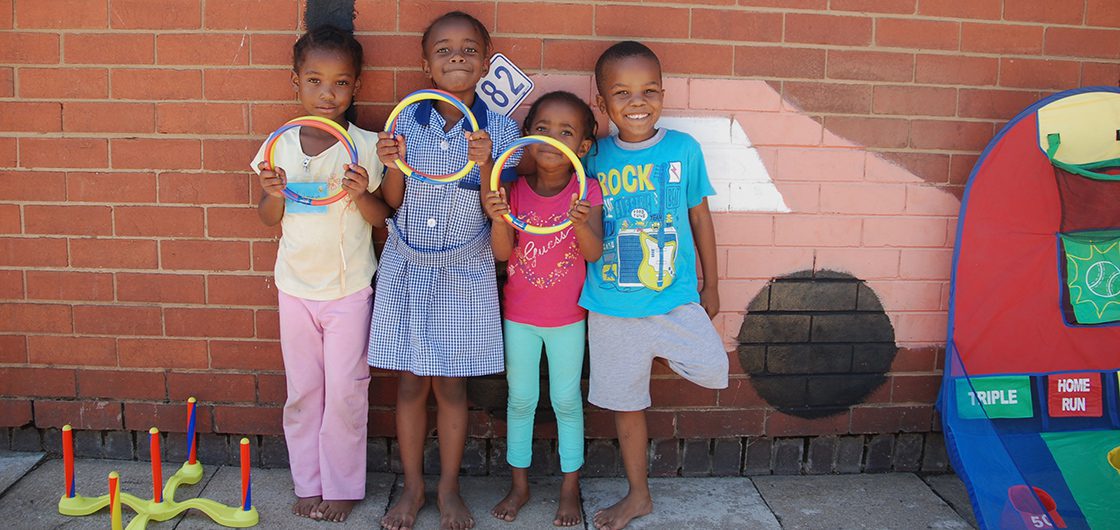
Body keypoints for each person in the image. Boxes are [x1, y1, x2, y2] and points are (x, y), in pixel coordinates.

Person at [368, 11, 522, 530]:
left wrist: (484, 163)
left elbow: (493, 208)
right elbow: (393, 200)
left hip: (464, 267)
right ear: (425, 62)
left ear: (485, 59)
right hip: (408, 264)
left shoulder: (500, 130)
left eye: (468, 48)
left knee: (451, 387)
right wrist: (391, 162)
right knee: (411, 382)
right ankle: (412, 489)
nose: (456, 56)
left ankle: (449, 488)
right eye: (443, 49)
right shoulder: (405, 119)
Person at [582, 41, 729, 530]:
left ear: (663, 93)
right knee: (627, 406)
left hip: (672, 297)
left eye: (648, 90)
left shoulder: (683, 149)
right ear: (601, 104)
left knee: (713, 369)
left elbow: (700, 217)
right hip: (610, 303)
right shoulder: (594, 155)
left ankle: (657, 351)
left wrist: (711, 284)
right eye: (621, 93)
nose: (636, 101)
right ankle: (638, 495)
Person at [251, 24, 389, 524]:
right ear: (295, 82)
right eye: (314, 81)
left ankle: (344, 485)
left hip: (349, 289)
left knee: (347, 389)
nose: (327, 94)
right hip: (295, 289)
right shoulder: (279, 144)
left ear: (357, 85)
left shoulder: (367, 146)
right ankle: (307, 481)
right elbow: (269, 218)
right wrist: (272, 192)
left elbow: (382, 220)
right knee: (304, 390)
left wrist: (361, 193)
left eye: (340, 83)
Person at [482, 91, 603, 527]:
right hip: (520, 317)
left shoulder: (587, 189)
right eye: (542, 130)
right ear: (524, 138)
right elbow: (501, 253)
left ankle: (570, 488)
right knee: (521, 400)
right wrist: (498, 219)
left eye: (566, 132)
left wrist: (579, 221)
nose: (552, 139)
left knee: (566, 400)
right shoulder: (513, 190)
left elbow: (592, 252)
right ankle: (520, 485)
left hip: (568, 318)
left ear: (584, 147)